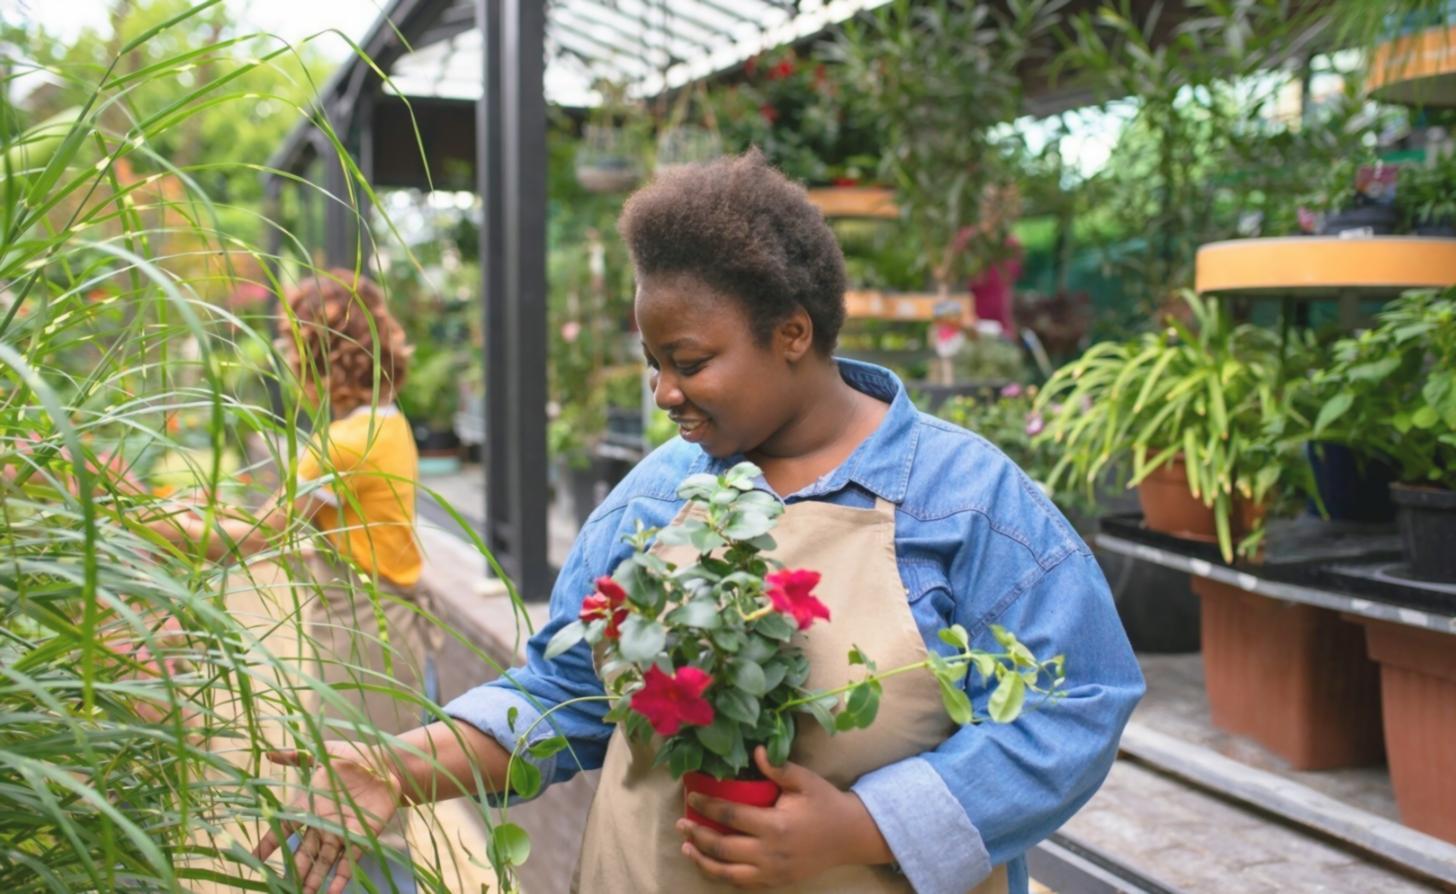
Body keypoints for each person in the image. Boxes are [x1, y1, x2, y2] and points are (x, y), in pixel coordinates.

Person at [256, 152, 1144, 894]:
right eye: (652, 362)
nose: (663, 392)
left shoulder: (965, 499)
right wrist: (399, 767)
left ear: (792, 332)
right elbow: (563, 695)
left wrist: (864, 825)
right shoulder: (654, 498)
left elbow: (1078, 702)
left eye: (689, 361)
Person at [149, 270, 434, 737]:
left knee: (353, 785)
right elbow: (290, 520)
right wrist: (207, 515)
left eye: (290, 347)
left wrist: (153, 525)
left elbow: (260, 537)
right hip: (383, 626)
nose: (286, 361)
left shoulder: (344, 442)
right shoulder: (387, 424)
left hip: (365, 633)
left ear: (318, 357)